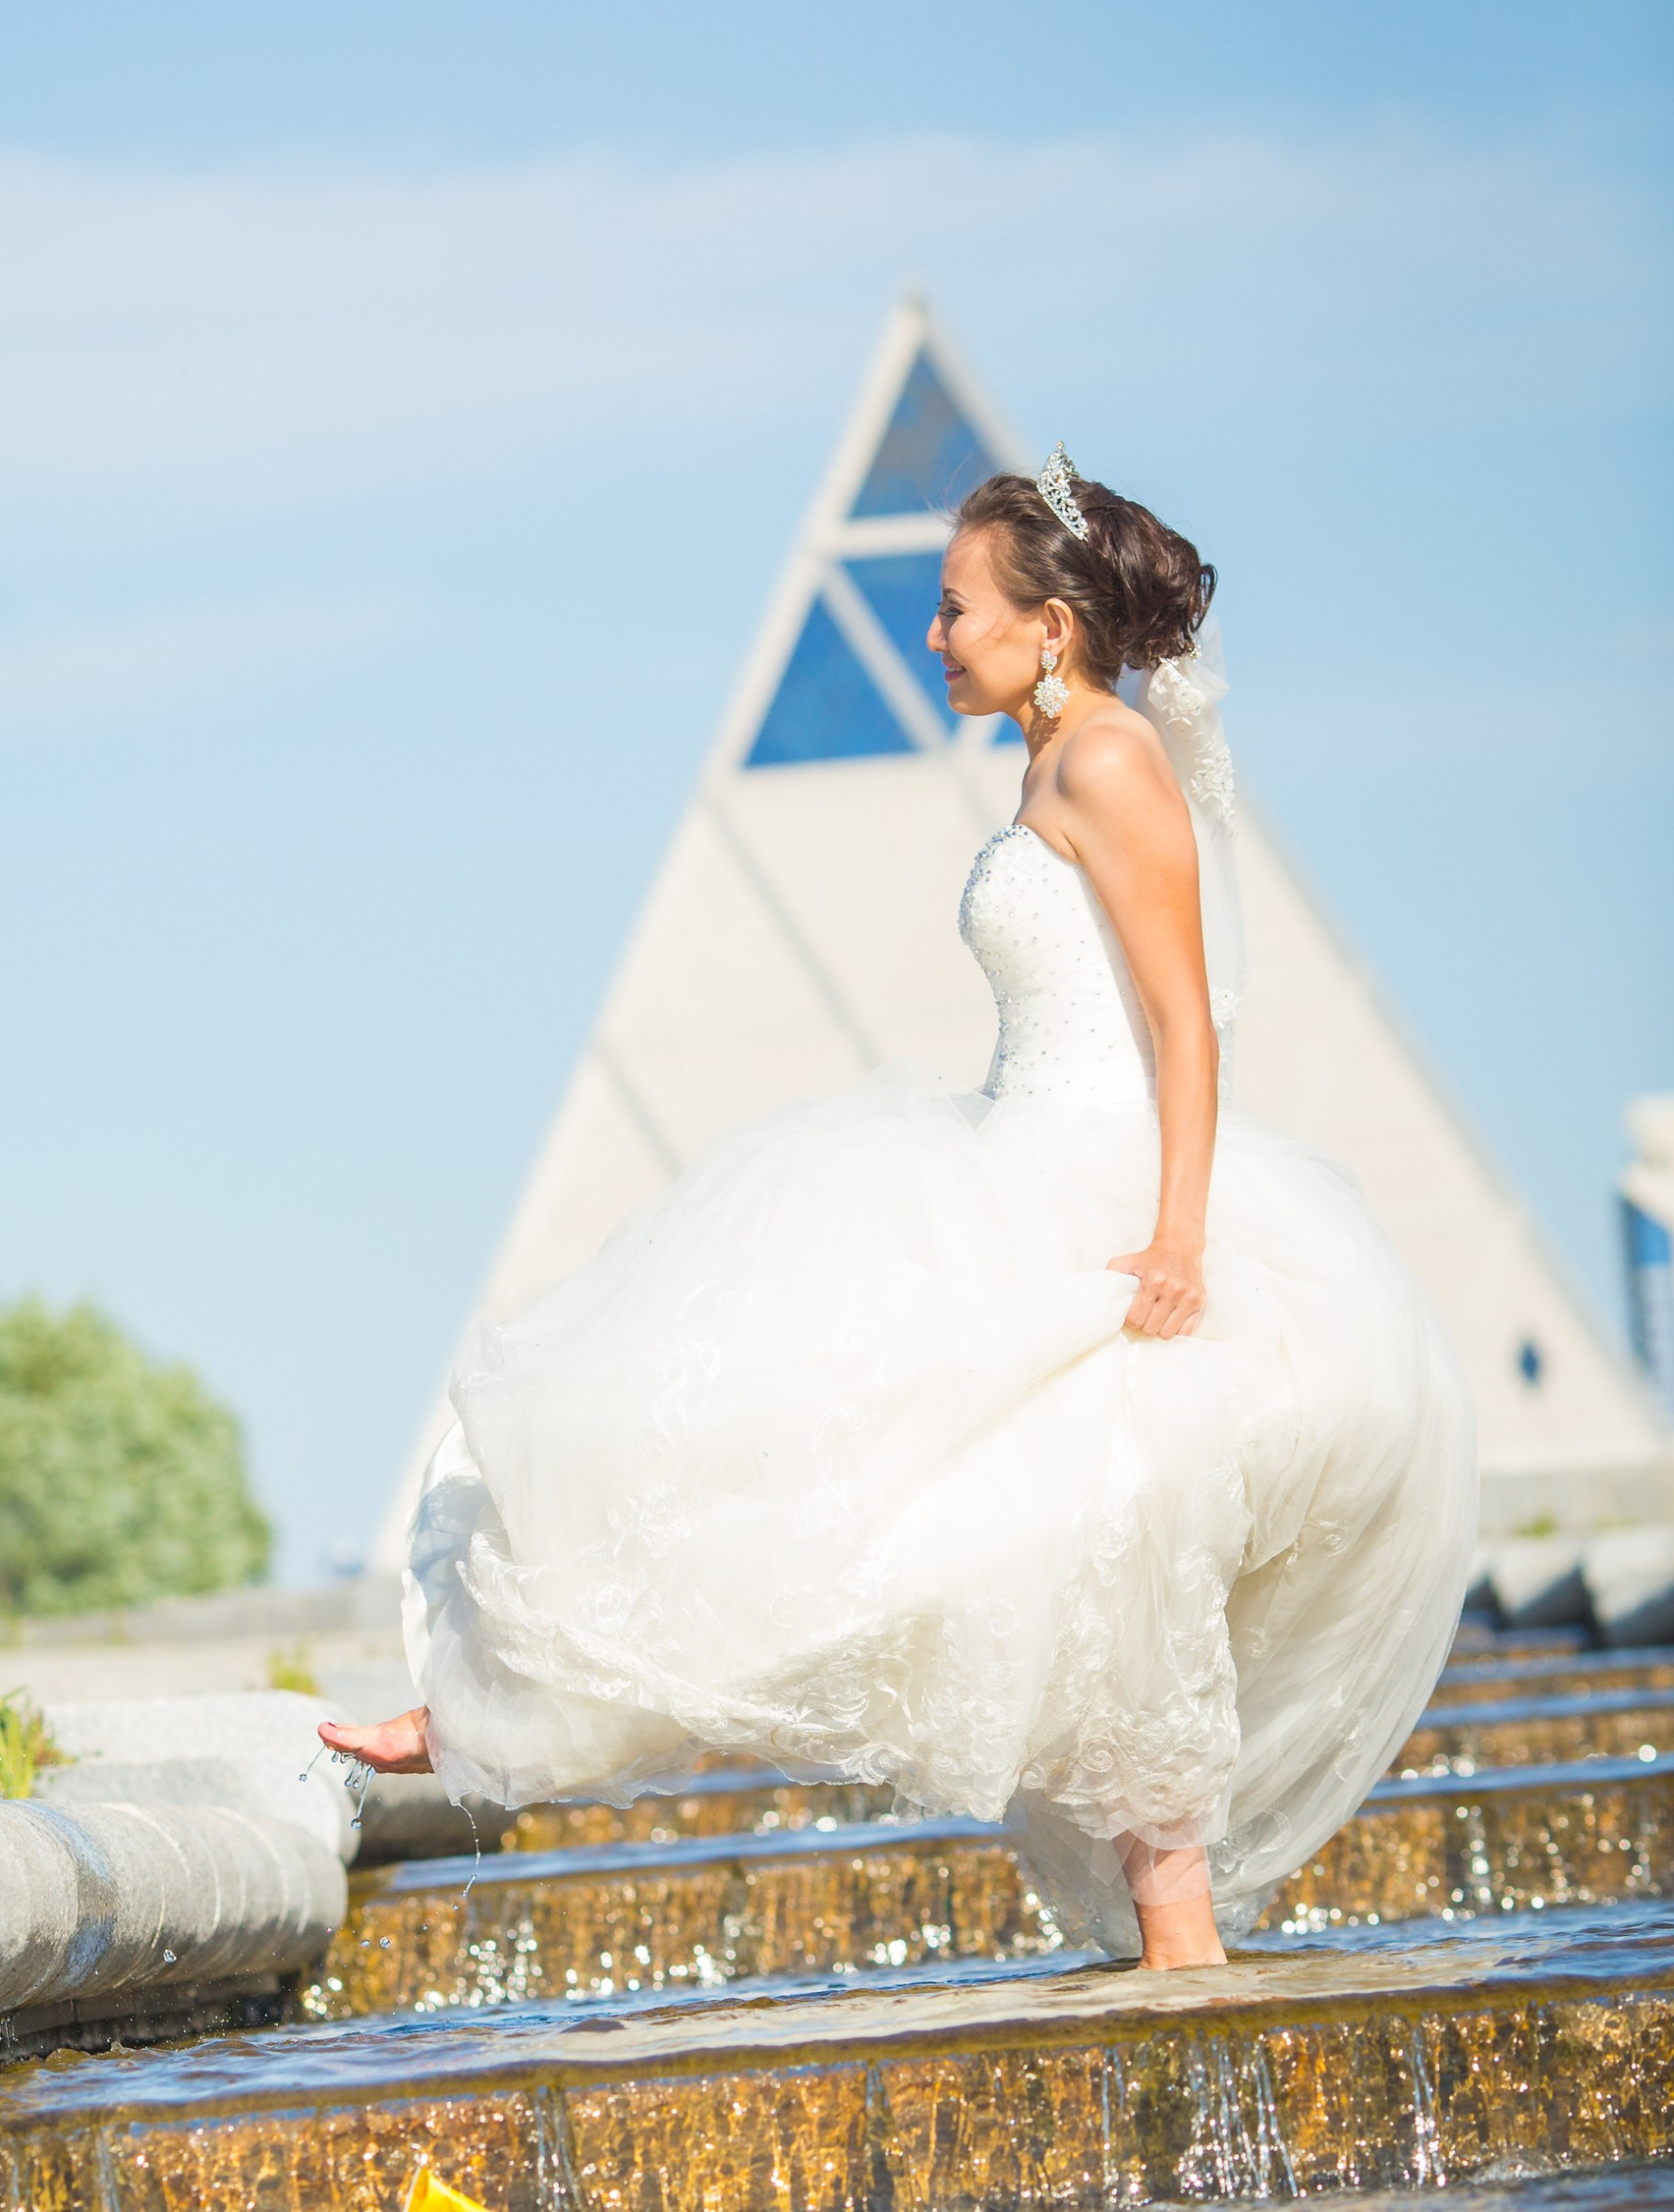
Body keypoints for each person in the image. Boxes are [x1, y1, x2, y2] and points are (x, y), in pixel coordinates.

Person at [321, 454, 1477, 1968]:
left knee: (1056, 1623)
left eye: (953, 610)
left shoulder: (1110, 760)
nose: (933, 638)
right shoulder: (1053, 761)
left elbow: (1191, 1026)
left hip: (1105, 1214)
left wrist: (1182, 1239)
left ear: (1049, 626)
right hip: (1017, 1166)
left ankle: (1198, 2046)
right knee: (809, 1465)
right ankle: (494, 1710)